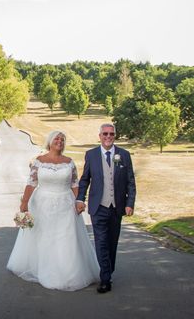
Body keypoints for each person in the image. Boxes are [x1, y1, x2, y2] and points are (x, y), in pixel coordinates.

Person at [7, 130, 99, 291]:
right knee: (44, 236)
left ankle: (67, 272)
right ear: (49, 141)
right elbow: (31, 183)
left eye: (62, 139)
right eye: (57, 138)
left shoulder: (69, 162)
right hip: (41, 204)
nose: (60, 141)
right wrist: (24, 203)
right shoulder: (39, 161)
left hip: (65, 204)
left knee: (66, 237)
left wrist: (79, 201)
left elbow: (75, 184)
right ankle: (42, 268)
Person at [76, 123, 136, 294]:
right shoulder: (91, 155)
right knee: (101, 242)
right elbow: (85, 180)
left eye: (111, 134)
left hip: (117, 208)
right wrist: (80, 198)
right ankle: (105, 279)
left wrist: (129, 203)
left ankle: (108, 270)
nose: (108, 137)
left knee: (112, 242)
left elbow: (131, 182)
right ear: (99, 135)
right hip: (98, 207)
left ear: (115, 135)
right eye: (105, 134)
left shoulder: (124, 155)